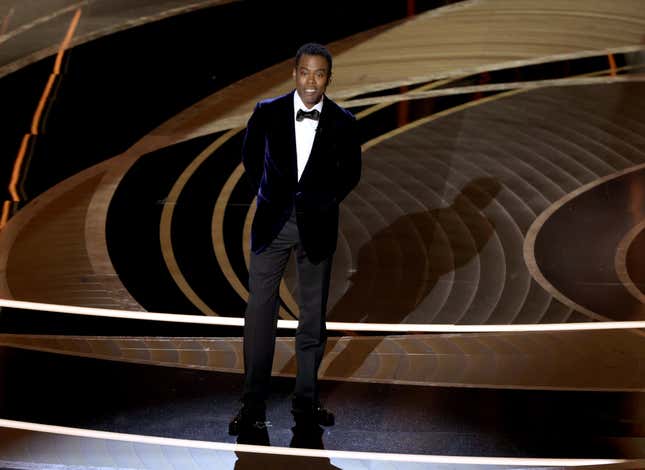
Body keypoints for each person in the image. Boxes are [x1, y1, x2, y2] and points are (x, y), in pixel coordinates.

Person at [229, 42, 362, 436]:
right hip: (273, 224)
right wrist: (270, 197)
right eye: (305, 72)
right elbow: (251, 159)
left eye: (319, 74)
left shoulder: (343, 121)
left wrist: (322, 203)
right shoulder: (266, 113)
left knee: (312, 318)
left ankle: (306, 401)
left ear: (328, 79)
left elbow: (350, 173)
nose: (311, 81)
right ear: (294, 73)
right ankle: (252, 403)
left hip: (317, 228)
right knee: (259, 315)